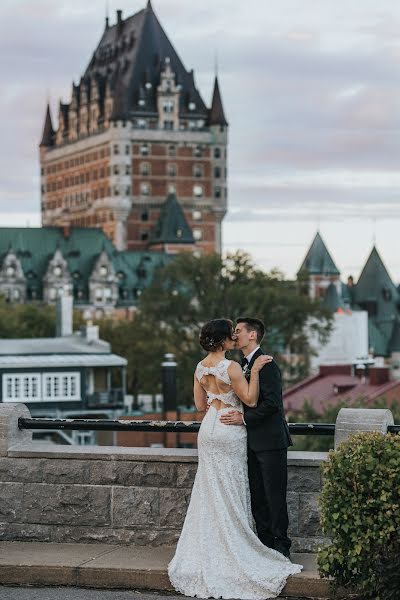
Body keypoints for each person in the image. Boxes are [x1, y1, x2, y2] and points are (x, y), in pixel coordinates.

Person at [168, 318, 302, 599]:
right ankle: (242, 546)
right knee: (232, 490)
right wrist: (252, 375)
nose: (235, 336)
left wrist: (217, 400)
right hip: (230, 431)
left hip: (210, 428)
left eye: (238, 332)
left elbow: (198, 405)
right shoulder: (233, 367)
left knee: (211, 490)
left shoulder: (199, 367)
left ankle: (218, 548)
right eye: (231, 333)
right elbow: (251, 401)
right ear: (223, 341)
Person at [220, 317, 292, 558]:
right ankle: (264, 547)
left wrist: (243, 419)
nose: (234, 334)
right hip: (250, 443)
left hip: (271, 443)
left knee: (275, 497)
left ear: (252, 335)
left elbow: (272, 404)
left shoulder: (267, 364)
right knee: (258, 497)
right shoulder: (242, 365)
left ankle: (282, 548)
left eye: (238, 331)